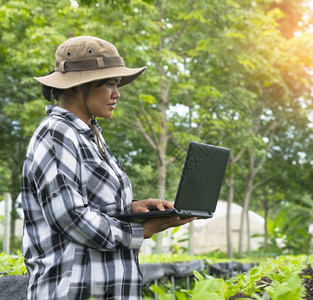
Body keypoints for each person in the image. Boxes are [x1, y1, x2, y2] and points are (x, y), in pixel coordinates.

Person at [21, 36, 194, 300]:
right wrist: (140, 231)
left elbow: (90, 201)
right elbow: (71, 216)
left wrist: (134, 208)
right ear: (80, 86)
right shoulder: (56, 133)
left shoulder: (89, 134)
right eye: (110, 84)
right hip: (72, 291)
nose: (117, 93)